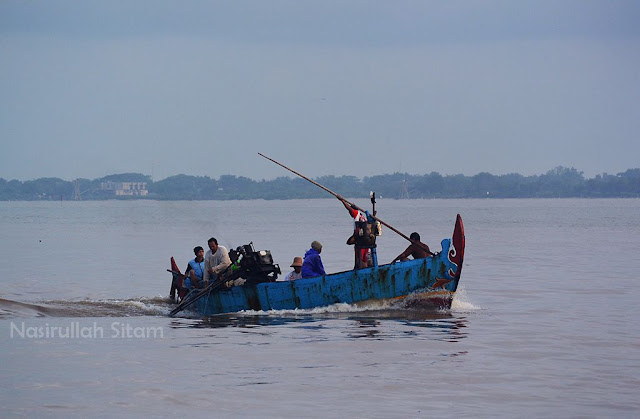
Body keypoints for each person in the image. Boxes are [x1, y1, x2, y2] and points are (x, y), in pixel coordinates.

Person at [340, 197, 375, 269]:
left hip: (361, 240)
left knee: (359, 258)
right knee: (364, 259)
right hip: (367, 239)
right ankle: (364, 269)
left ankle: (358, 270)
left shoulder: (356, 214)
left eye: (351, 212)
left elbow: (349, 209)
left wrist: (342, 200)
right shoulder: (362, 217)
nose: (350, 213)